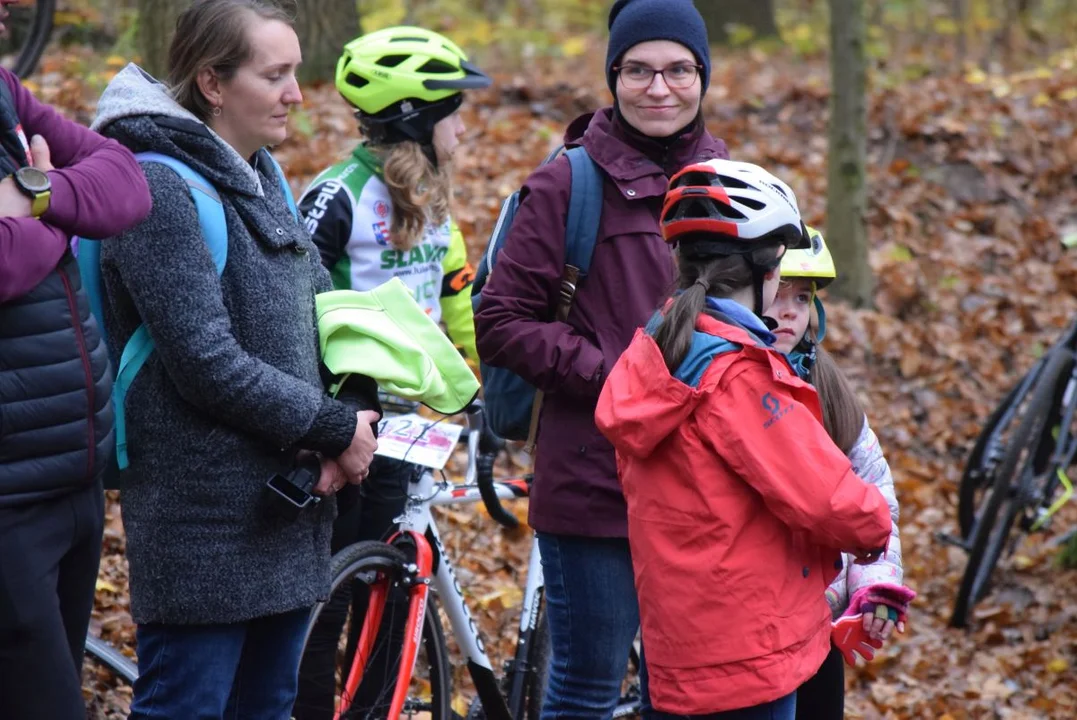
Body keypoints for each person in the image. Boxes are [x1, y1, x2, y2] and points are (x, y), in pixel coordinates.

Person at [88, 1, 379, 717]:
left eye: (294, 73)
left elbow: (319, 310)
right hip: (203, 523)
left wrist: (352, 410)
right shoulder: (158, 188)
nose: (296, 94)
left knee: (267, 705)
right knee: (187, 707)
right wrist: (335, 429)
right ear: (213, 84)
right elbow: (204, 360)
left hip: (289, 503)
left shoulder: (263, 175)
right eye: (274, 75)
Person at [474, 0, 728, 713]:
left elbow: (781, 307)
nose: (659, 88)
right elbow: (499, 318)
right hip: (595, 481)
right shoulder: (567, 184)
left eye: (678, 70)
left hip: (705, 480)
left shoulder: (730, 179)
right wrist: (612, 375)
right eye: (638, 70)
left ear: (701, 77)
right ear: (613, 76)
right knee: (587, 686)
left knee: (682, 690)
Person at [594, 158, 894, 720]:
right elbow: (827, 496)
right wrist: (875, 526)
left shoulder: (659, 351)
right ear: (763, 270)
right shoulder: (737, 377)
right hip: (751, 653)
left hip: (681, 647)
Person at [293, 25, 489, 718]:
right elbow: (287, 304)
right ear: (417, 118)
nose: (464, 131)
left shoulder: (433, 199)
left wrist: (483, 384)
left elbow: (453, 298)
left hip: (410, 426)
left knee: (392, 584)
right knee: (331, 596)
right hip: (345, 425)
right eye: (454, 115)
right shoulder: (336, 195)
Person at [0, 3, 152, 715]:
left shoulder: (3, 92)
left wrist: (34, 198)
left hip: (72, 479)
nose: (7, 16)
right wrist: (56, 219)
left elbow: (124, 183)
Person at [764, 228, 914, 720]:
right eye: (777, 292)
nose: (788, 310)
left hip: (819, 620)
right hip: (751, 623)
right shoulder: (722, 380)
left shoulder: (827, 390)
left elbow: (874, 496)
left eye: (801, 298)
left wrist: (873, 585)